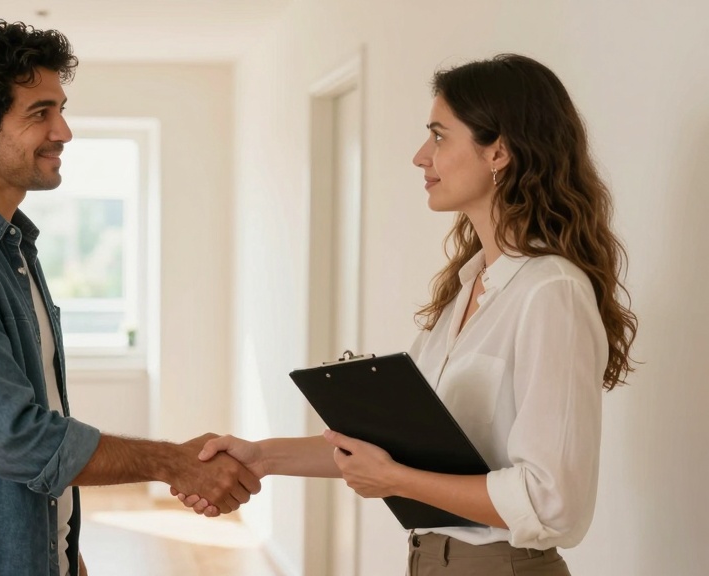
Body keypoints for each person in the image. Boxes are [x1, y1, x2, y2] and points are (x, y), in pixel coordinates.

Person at [175, 53, 638, 575]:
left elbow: (552, 501)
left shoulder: (551, 292)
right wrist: (263, 456)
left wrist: (397, 481)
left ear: (499, 152)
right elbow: (395, 450)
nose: (421, 156)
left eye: (439, 136)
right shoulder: (468, 290)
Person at [0, 20, 259, 576]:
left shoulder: (9, 244)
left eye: (61, 108)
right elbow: (18, 440)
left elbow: (34, 422)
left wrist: (61, 552)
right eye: (39, 113)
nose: (64, 131)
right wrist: (174, 462)